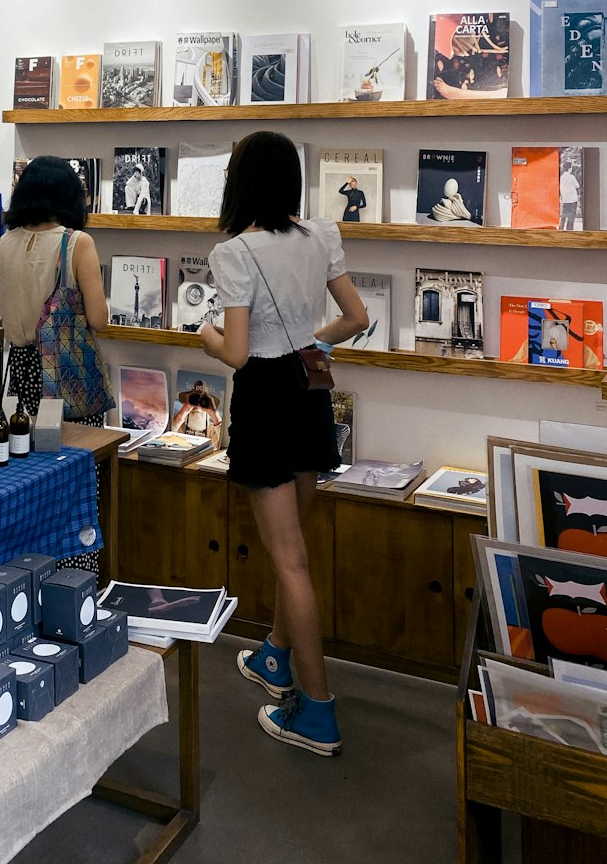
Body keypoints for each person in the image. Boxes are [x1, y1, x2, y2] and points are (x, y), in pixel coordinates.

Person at [200, 131, 367, 758]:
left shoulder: (236, 251)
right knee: (293, 543)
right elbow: (356, 318)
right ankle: (274, 658)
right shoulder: (319, 234)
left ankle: (318, 712)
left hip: (267, 399)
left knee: (288, 557)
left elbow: (237, 353)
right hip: (309, 390)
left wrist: (206, 337)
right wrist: (310, 343)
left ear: (239, 181)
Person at [0, 156, 110, 571]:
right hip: (65, 377)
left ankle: (26, 578)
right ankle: (75, 580)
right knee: (75, 480)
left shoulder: (6, 241)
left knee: (28, 478)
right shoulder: (76, 243)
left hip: (21, 372)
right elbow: (97, 318)